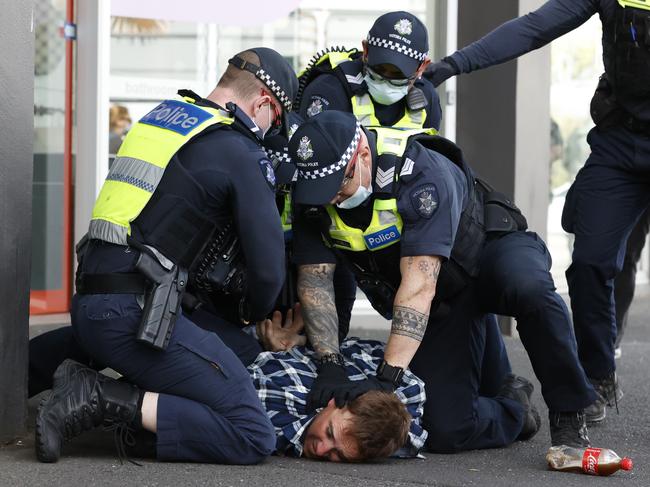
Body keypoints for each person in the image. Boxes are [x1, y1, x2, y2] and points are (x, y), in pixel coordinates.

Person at [35, 47, 298, 465]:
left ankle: (27, 373)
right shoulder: (238, 149)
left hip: (92, 301)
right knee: (252, 433)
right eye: (278, 120)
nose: (274, 130)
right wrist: (254, 316)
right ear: (264, 103)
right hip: (136, 315)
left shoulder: (166, 119)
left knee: (209, 346)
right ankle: (100, 396)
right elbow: (267, 274)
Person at [288, 110, 598, 452]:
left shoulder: (418, 174)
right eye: (321, 190)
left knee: (527, 287)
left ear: (362, 155)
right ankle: (514, 405)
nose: (332, 199)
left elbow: (419, 284)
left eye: (339, 186)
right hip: (444, 299)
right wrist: (330, 363)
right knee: (445, 429)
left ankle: (569, 411)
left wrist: (387, 379)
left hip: (489, 253)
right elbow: (315, 280)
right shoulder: (312, 194)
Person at [424, 0, 650, 425]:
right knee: (588, 264)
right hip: (622, 143)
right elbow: (533, 28)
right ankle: (597, 374)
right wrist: (455, 64)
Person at [297, 11, 441, 131]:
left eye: (398, 74)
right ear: (365, 51)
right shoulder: (329, 89)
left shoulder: (427, 99)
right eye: (380, 69)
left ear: (422, 66)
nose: (386, 79)